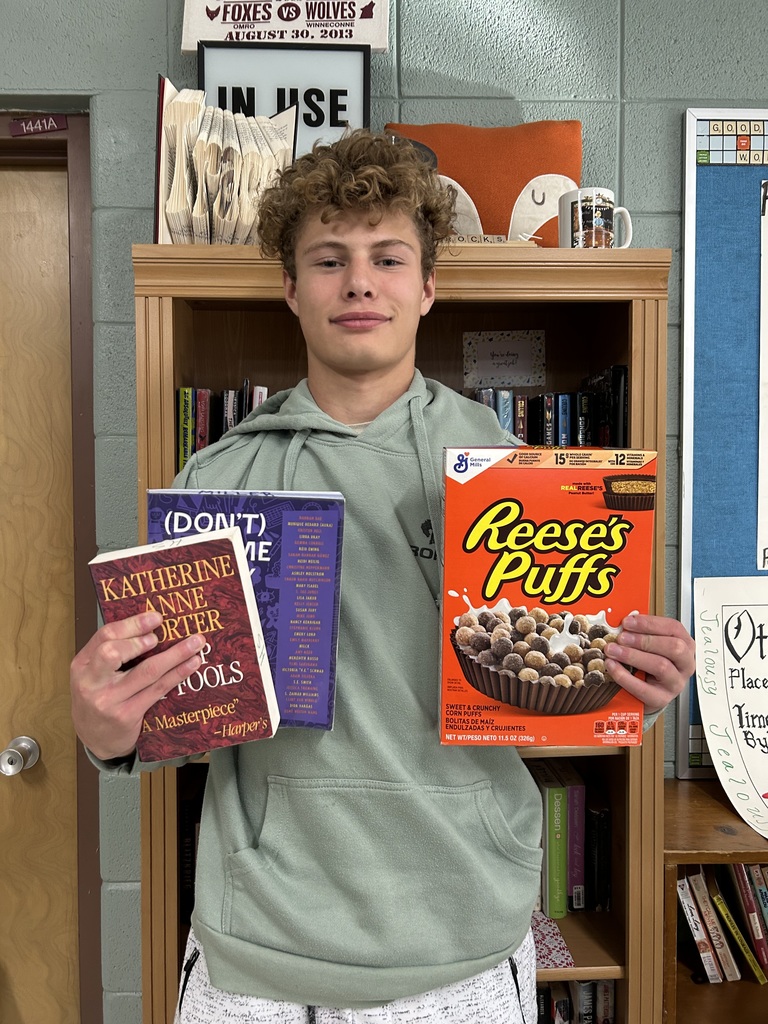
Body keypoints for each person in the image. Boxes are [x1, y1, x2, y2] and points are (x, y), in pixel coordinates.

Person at [70, 129, 695, 1024]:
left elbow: (567, 682)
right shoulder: (216, 483)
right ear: (290, 287)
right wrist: (107, 730)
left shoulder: (519, 477)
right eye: (328, 259)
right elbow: (176, 714)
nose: (358, 281)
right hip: (257, 959)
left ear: (429, 285)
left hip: (460, 952)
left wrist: (636, 677)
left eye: (387, 257)